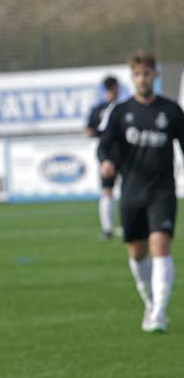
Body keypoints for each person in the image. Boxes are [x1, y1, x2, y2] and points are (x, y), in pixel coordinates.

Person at [98, 50, 184, 333]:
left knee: (161, 246)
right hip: (132, 192)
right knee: (137, 253)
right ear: (131, 77)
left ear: (155, 75)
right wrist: (107, 161)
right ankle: (149, 301)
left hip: (162, 192)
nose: (142, 78)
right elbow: (104, 144)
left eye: (147, 73)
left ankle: (159, 312)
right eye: (137, 74)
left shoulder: (171, 111)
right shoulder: (121, 112)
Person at [86, 76, 120, 239]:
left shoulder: (107, 108)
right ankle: (108, 229)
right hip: (112, 153)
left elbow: (90, 131)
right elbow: (89, 131)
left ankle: (109, 229)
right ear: (114, 87)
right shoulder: (118, 108)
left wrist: (100, 132)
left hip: (109, 152)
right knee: (108, 191)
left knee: (109, 191)